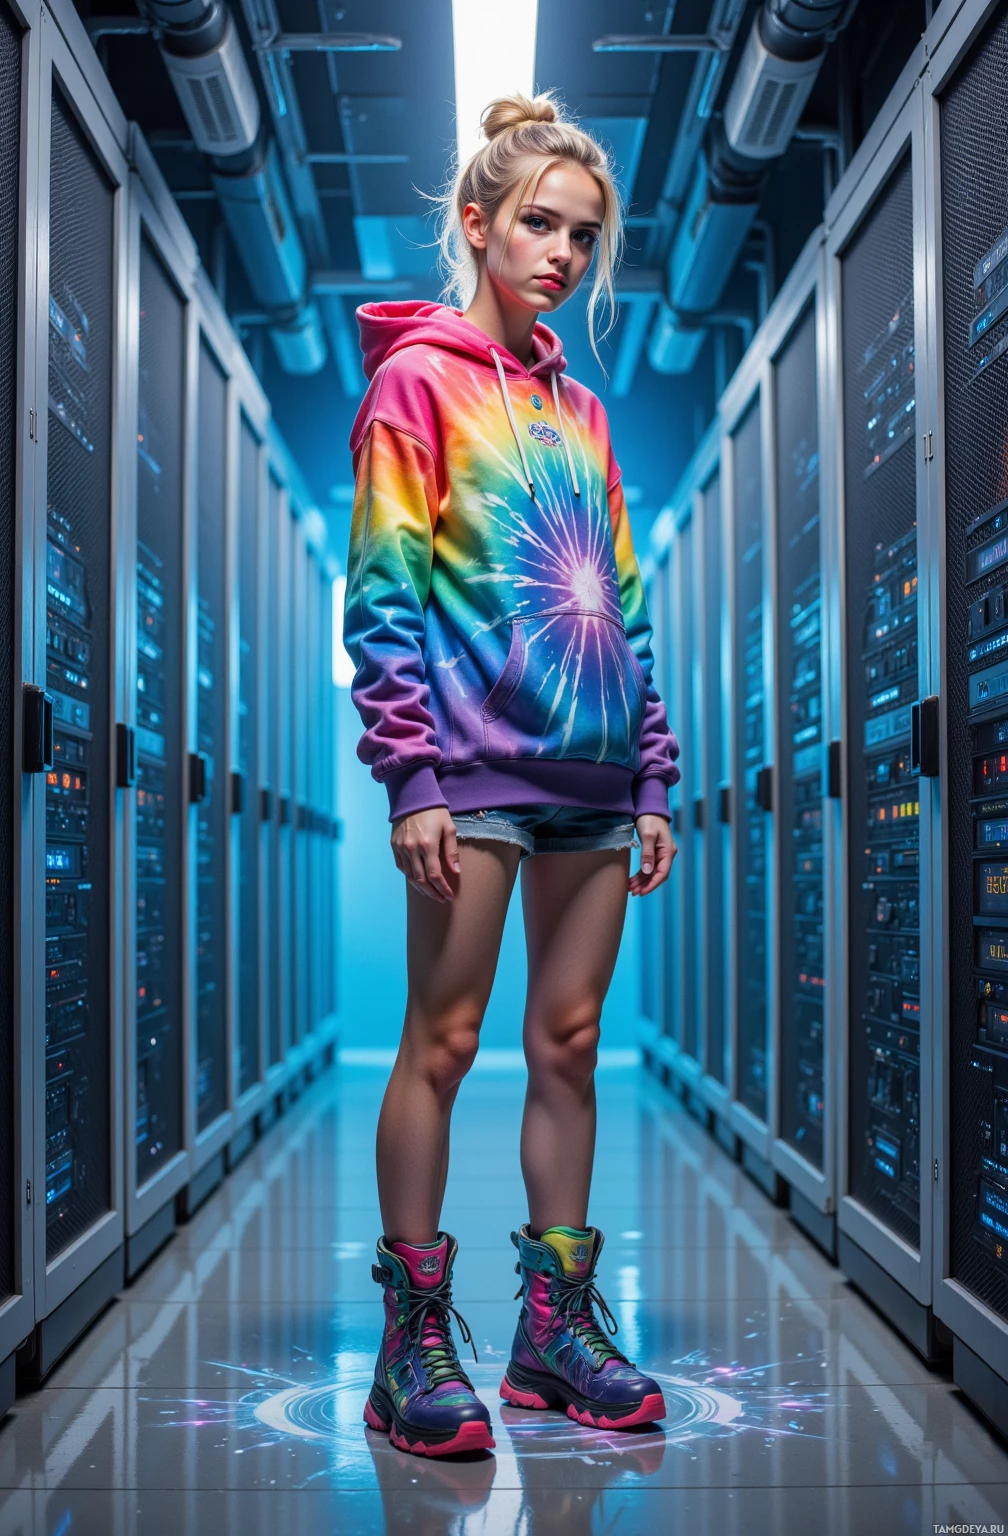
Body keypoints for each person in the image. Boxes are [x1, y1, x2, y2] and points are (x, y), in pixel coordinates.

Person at [344, 90, 680, 1459]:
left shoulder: (585, 412)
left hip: (595, 777)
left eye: (583, 236)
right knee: (444, 1040)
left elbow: (626, 602)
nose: (560, 252)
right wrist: (410, 776)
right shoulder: (415, 385)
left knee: (571, 1046)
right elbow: (383, 595)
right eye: (537, 222)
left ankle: (554, 1332)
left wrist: (654, 773)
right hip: (472, 770)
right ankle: (410, 1345)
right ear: (475, 224)